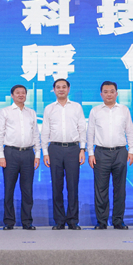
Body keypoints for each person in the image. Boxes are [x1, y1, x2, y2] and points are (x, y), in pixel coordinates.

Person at [87, 81, 133, 230]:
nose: (109, 94)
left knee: (120, 188)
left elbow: (130, 131)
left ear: (117, 93)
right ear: (101, 94)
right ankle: (101, 221)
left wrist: (131, 151)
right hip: (101, 152)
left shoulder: (124, 110)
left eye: (112, 91)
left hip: (120, 152)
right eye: (106, 92)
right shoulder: (95, 111)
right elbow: (90, 133)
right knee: (101, 189)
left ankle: (118, 221)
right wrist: (90, 153)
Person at [41, 78, 87, 230]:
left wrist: (82, 149)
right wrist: (45, 152)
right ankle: (59, 220)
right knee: (57, 185)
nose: (61, 89)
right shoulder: (49, 108)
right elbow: (45, 131)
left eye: (64, 87)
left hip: (73, 149)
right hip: (54, 149)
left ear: (68, 89)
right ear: (54, 90)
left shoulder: (76, 107)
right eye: (58, 87)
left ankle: (73, 220)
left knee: (73, 186)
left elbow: (82, 128)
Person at [0, 84, 40, 230]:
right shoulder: (5, 112)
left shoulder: (31, 113)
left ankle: (27, 221)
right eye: (17, 93)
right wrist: (0, 155)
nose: (21, 95)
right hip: (10, 153)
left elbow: (35, 134)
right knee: (9, 189)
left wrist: (37, 154)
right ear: (12, 95)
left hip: (28, 153)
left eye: (23, 93)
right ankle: (9, 222)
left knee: (27, 190)